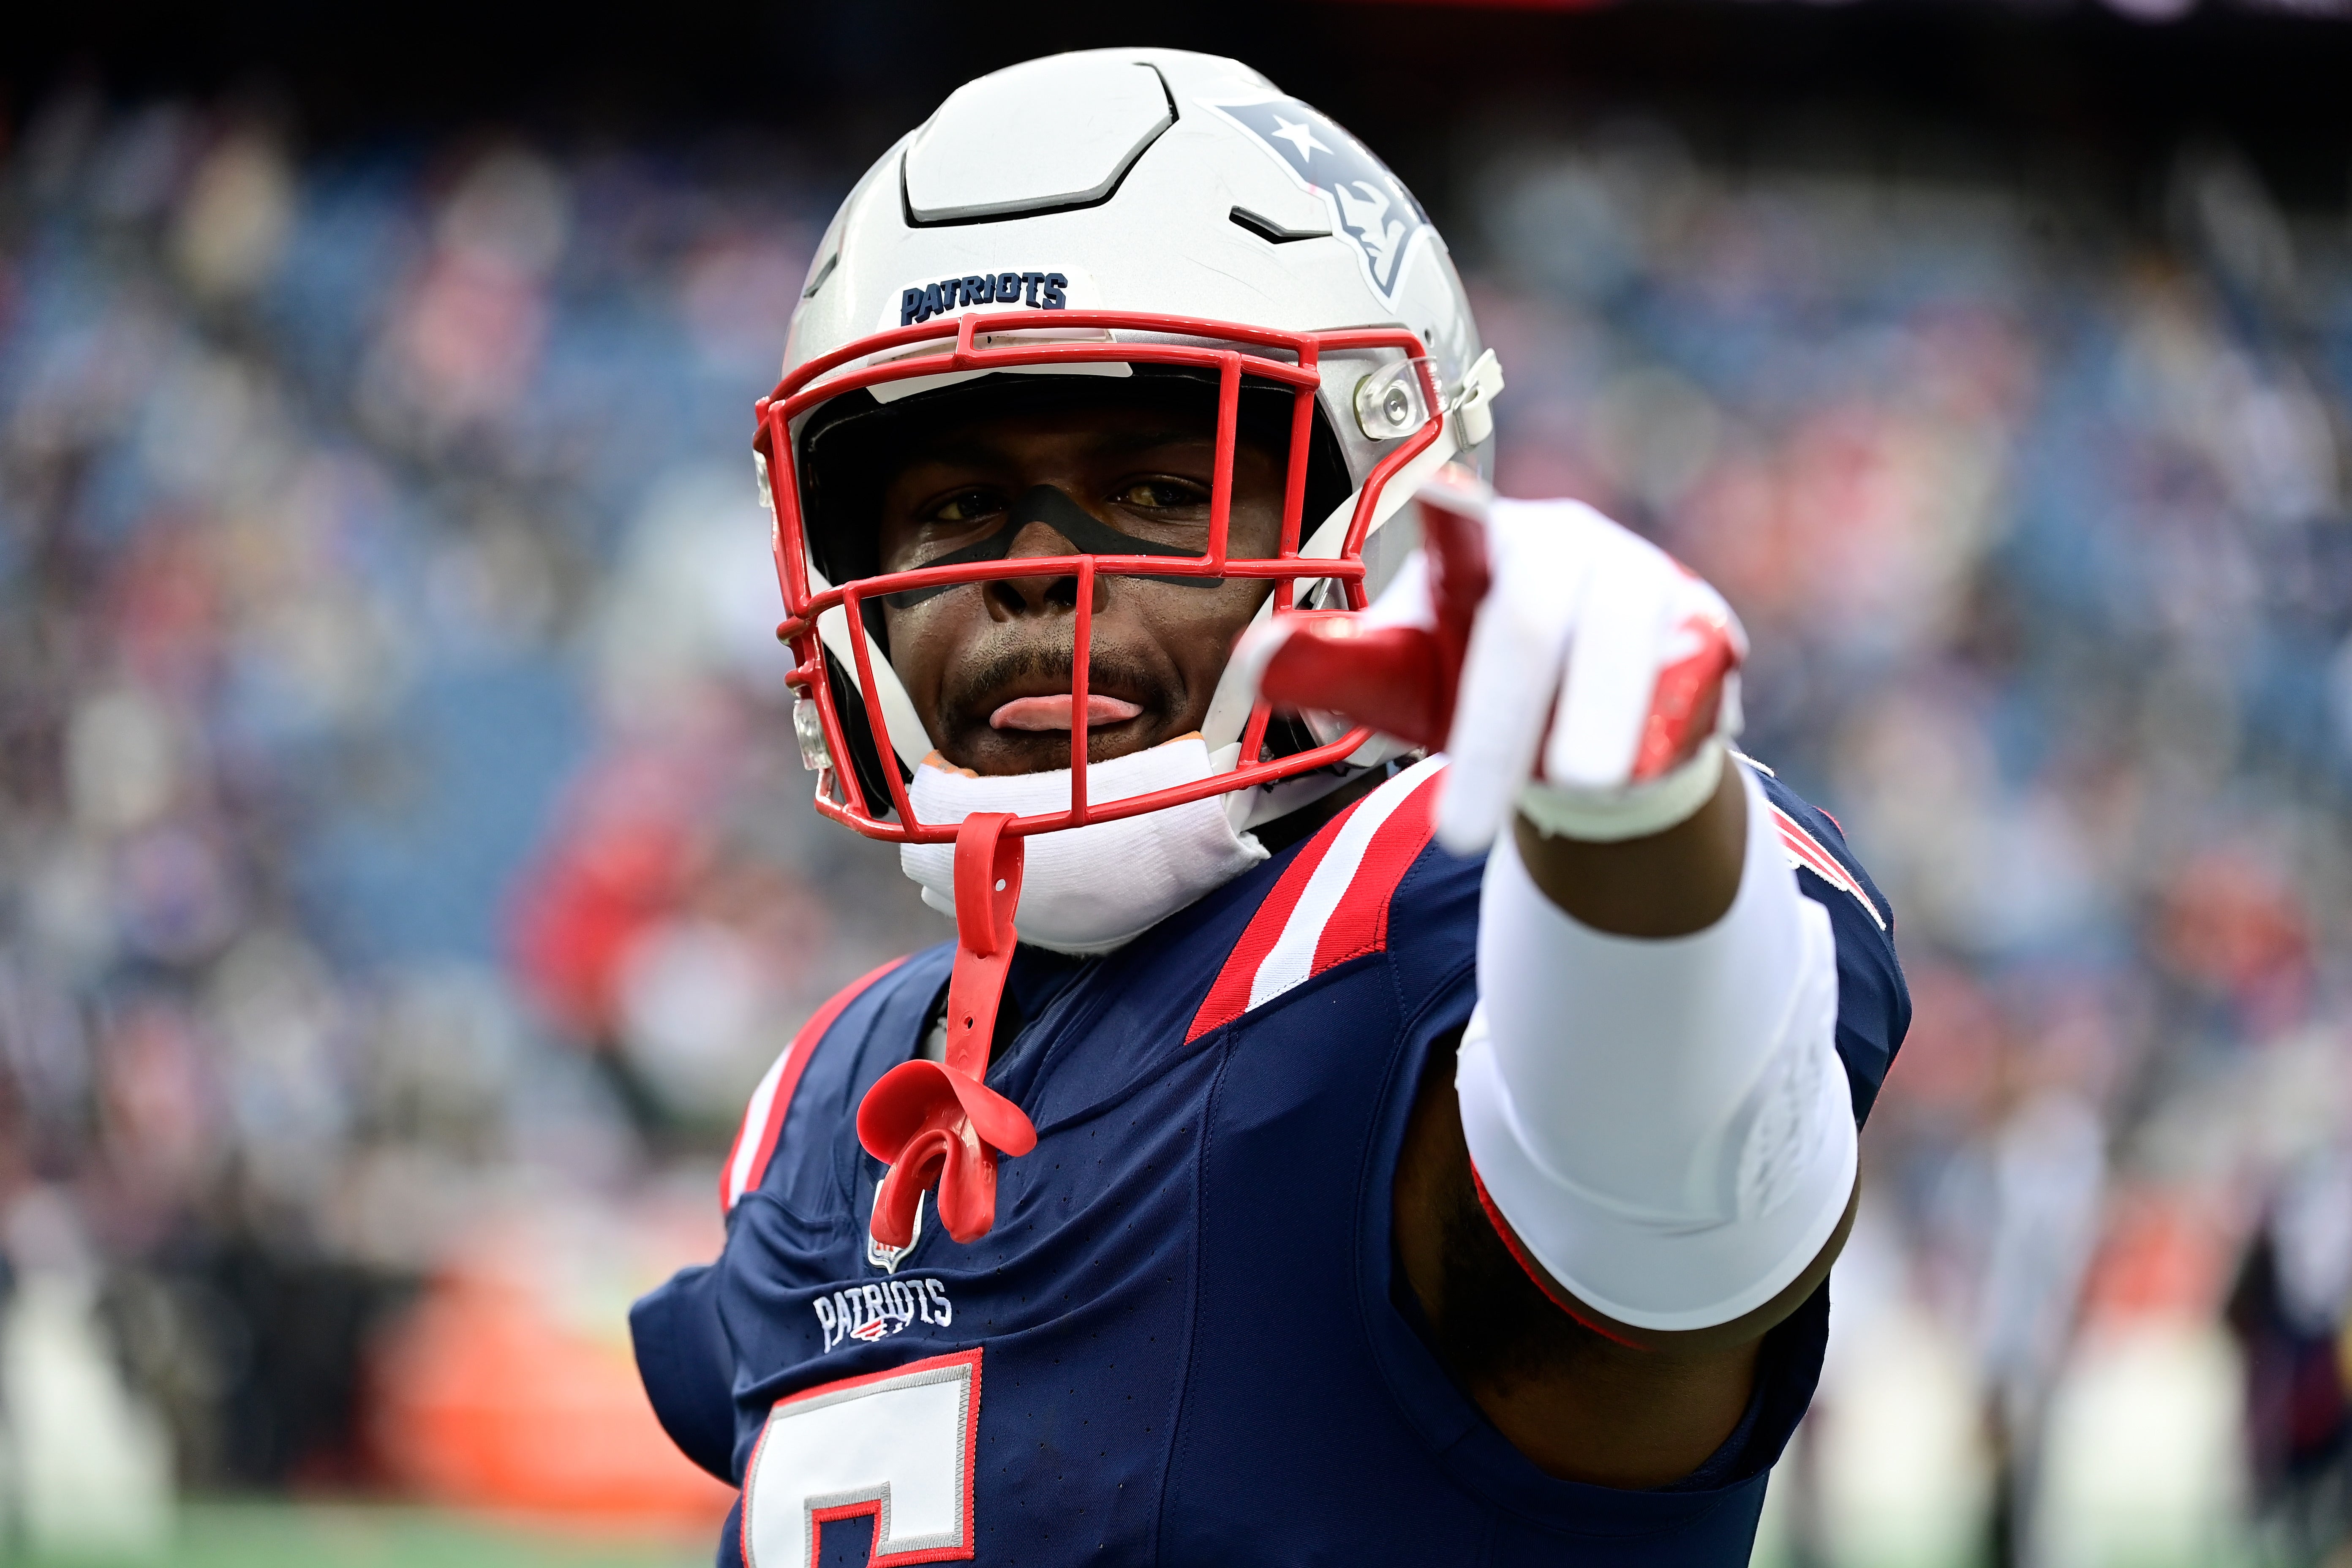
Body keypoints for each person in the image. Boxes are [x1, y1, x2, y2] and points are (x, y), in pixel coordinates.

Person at [631, 46, 1909, 1566]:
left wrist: (1644, 837)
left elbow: (1678, 1202)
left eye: (1164, 490)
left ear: (1380, 514)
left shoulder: (1428, 938)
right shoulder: (824, 1106)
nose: (1033, 567)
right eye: (959, 502)